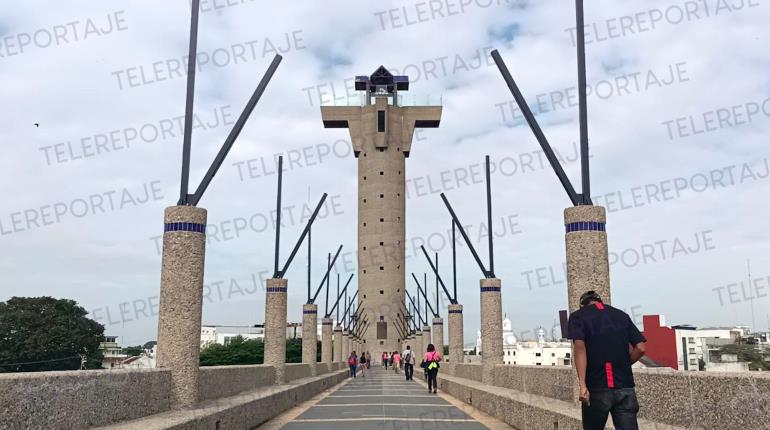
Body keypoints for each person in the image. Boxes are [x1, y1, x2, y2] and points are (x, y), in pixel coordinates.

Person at [568, 291, 647, 430]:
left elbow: (579, 347)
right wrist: (624, 365)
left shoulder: (578, 316)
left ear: (582, 305)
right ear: (600, 302)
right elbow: (641, 348)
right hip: (625, 386)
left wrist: (582, 386)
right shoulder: (622, 316)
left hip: (597, 387)